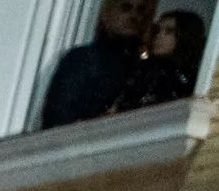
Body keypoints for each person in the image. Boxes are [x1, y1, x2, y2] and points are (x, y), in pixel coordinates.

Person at [40, 0, 151, 129]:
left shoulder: (142, 68)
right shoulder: (83, 58)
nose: (134, 16)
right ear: (107, 13)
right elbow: (57, 114)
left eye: (140, 11)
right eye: (125, 8)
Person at [117, 8, 207, 110]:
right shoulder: (143, 70)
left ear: (184, 36)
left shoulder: (194, 80)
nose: (158, 36)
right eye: (157, 30)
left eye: (169, 31)